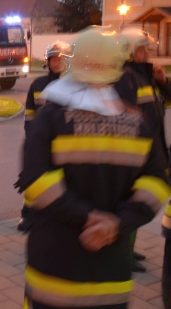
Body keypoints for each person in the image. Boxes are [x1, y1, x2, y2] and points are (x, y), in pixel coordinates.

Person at [18, 27, 171, 308]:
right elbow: (158, 184)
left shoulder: (50, 117)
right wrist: (116, 224)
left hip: (54, 271)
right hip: (110, 275)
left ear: (73, 63)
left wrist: (87, 217)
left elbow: (36, 181)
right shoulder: (137, 122)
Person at [115, 27, 171, 277]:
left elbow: (164, 103)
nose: (146, 54)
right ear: (128, 52)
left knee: (137, 202)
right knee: (131, 201)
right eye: (141, 50)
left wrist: (163, 81)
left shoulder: (146, 76)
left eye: (147, 49)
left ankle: (129, 249)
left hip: (151, 149)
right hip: (136, 153)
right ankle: (122, 254)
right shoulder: (125, 78)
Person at [17, 41, 70, 232]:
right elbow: (29, 115)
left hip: (62, 144)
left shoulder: (73, 86)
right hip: (37, 141)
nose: (56, 63)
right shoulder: (38, 85)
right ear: (47, 61)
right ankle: (27, 214)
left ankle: (56, 216)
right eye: (53, 59)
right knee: (33, 178)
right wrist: (33, 139)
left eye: (60, 59)